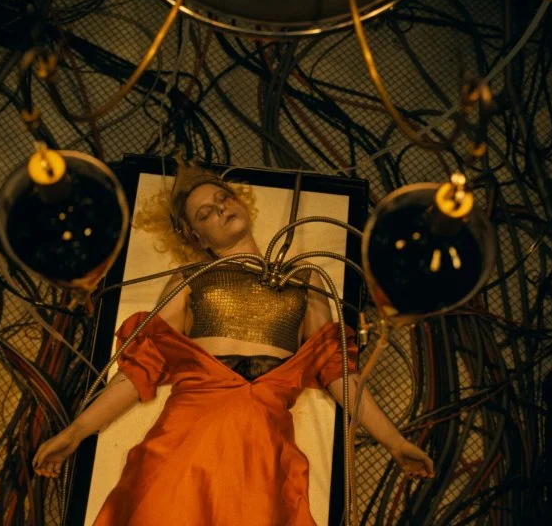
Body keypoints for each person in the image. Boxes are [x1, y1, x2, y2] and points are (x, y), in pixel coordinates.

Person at [32, 160, 434, 525]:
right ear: (196, 236)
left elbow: (341, 375)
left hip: (262, 456)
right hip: (185, 445)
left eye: (223, 198)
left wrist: (395, 442)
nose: (220, 209)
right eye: (205, 212)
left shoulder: (305, 279)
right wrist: (74, 433)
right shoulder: (190, 279)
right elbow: (136, 372)